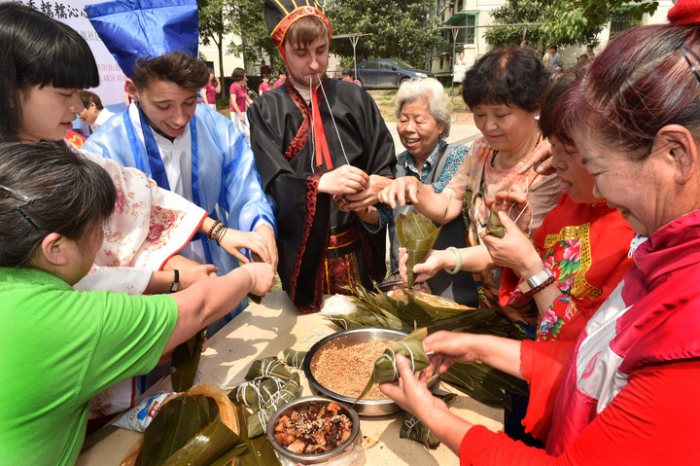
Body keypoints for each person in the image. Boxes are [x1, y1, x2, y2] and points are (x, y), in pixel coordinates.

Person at [380, 3, 700, 462]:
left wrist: (434, 415)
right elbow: (589, 363)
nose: (566, 174)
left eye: (590, 164)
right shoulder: (659, 253)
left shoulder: (681, 322)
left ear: (675, 154)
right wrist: (479, 344)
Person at [0, 141, 274, 465]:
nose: (104, 238)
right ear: (55, 249)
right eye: (98, 227)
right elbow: (197, 308)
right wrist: (250, 277)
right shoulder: (66, 321)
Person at [84, 1, 277, 283]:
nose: (178, 118)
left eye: (190, 101)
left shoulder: (217, 129)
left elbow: (244, 189)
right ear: (132, 90)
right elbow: (109, 237)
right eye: (163, 106)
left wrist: (260, 228)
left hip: (219, 259)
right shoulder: (104, 149)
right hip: (148, 276)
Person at [381, 47, 560, 329]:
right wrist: (415, 189)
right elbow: (448, 204)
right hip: (487, 303)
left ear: (535, 107)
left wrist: (445, 258)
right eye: (479, 114)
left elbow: (507, 251)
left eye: (501, 115)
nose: (488, 126)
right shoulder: (481, 150)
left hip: (533, 308)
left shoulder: (550, 167)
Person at [249, 0, 396, 312]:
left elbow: (384, 164)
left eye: (321, 50)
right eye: (302, 53)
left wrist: (370, 201)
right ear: (282, 52)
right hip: (304, 259)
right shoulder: (265, 110)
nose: (314, 63)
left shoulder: (356, 98)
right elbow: (273, 180)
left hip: (357, 246)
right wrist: (321, 183)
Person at [390, 77, 478, 306]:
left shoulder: (458, 156)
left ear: (440, 125)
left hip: (449, 287)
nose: (409, 129)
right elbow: (381, 217)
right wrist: (362, 207)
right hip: (406, 283)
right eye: (403, 120)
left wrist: (410, 187)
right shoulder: (396, 164)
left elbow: (442, 199)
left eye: (419, 121)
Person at [229, 67, 252, 138]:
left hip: (243, 111)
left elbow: (247, 99)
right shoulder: (233, 86)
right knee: (240, 132)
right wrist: (239, 114)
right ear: (240, 76)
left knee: (247, 132)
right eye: (244, 75)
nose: (245, 77)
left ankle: (248, 147)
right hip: (236, 112)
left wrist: (256, 106)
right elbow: (233, 102)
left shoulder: (242, 87)